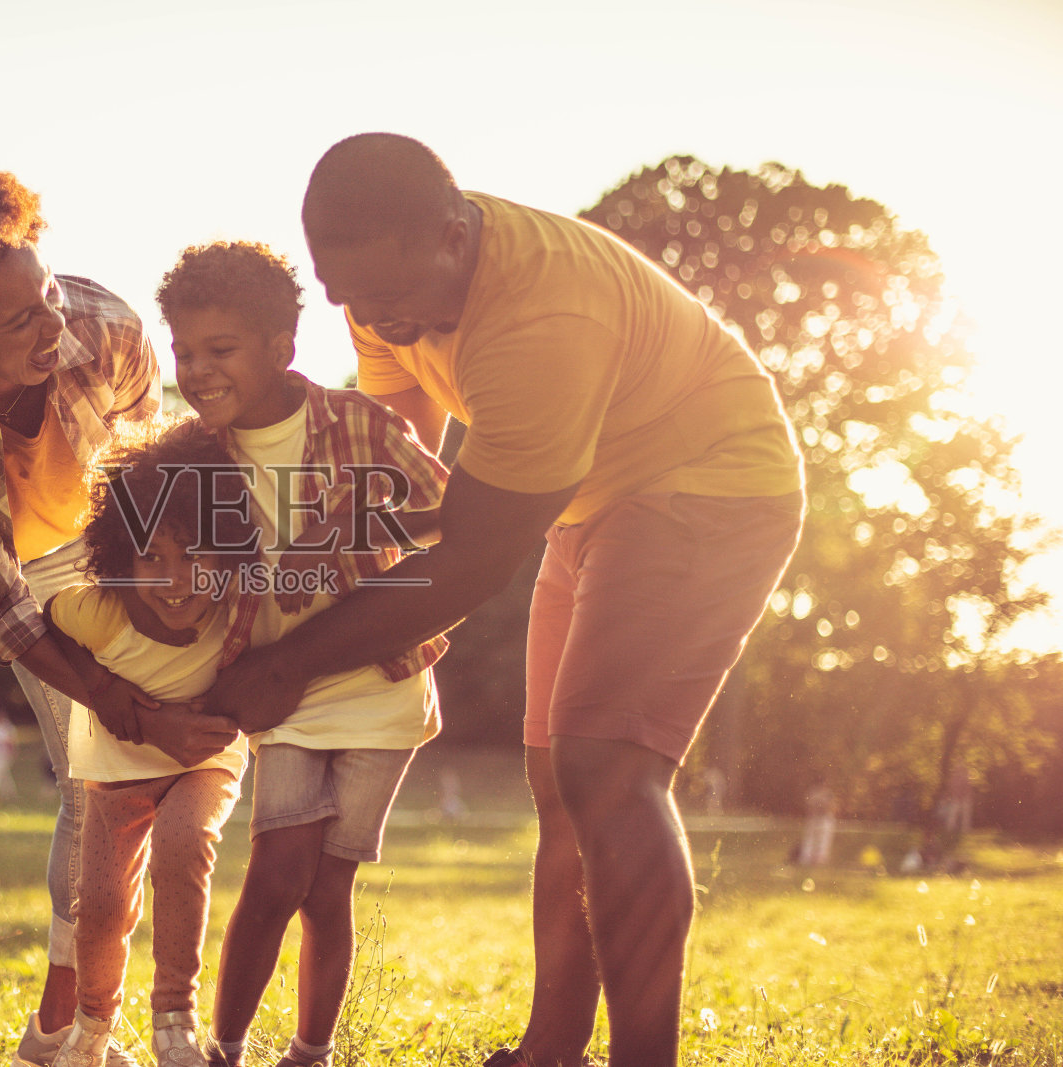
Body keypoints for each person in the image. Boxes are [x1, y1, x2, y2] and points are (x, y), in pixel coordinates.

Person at [204, 134, 804, 1067]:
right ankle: (550, 1053)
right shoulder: (383, 287)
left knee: (606, 766)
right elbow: (400, 475)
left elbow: (474, 557)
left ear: (453, 237)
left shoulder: (542, 316)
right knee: (559, 780)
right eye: (348, 296)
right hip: (580, 503)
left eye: (392, 298)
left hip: (707, 484)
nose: (378, 320)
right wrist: (279, 570)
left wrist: (290, 663)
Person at [0, 158, 237, 1067]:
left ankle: (61, 1029)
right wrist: (127, 703)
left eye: (47, 290)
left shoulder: (109, 331)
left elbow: (144, 486)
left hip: (66, 539)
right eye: (21, 320)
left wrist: (154, 650)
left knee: (92, 775)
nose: (53, 323)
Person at [155, 241, 449, 1067]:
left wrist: (355, 526)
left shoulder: (360, 423)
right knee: (278, 868)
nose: (198, 371)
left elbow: (449, 513)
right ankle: (225, 1048)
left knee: (327, 887)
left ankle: (309, 1053)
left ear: (280, 346)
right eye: (184, 352)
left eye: (220, 349)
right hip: (280, 688)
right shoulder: (193, 455)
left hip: (382, 683)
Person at [41, 419, 252, 1067]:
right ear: (120, 557)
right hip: (115, 767)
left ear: (225, 551)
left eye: (193, 555)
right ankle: (91, 1026)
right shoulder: (97, 611)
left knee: (184, 844)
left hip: (203, 762)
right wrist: (102, 688)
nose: (174, 579)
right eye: (151, 557)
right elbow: (42, 626)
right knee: (103, 906)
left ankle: (174, 1018)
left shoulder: (237, 607)